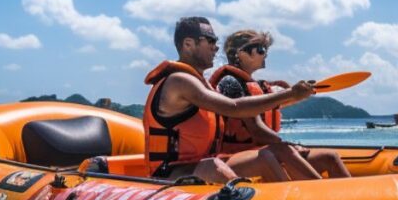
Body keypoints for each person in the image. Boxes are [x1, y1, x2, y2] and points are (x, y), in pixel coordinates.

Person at [142, 17, 315, 183]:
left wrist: (289, 95)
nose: (216, 48)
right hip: (168, 172)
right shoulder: (179, 81)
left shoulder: (202, 84)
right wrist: (290, 94)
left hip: (202, 163)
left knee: (267, 156)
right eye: (210, 40)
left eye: (216, 41)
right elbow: (234, 107)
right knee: (212, 166)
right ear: (188, 44)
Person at [210, 30, 350, 179]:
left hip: (264, 152)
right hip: (234, 157)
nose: (265, 55)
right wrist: (289, 145)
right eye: (261, 50)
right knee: (284, 151)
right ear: (242, 53)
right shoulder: (230, 84)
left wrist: (303, 92)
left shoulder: (256, 86)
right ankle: (316, 194)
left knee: (329, 157)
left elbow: (281, 99)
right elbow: (257, 130)